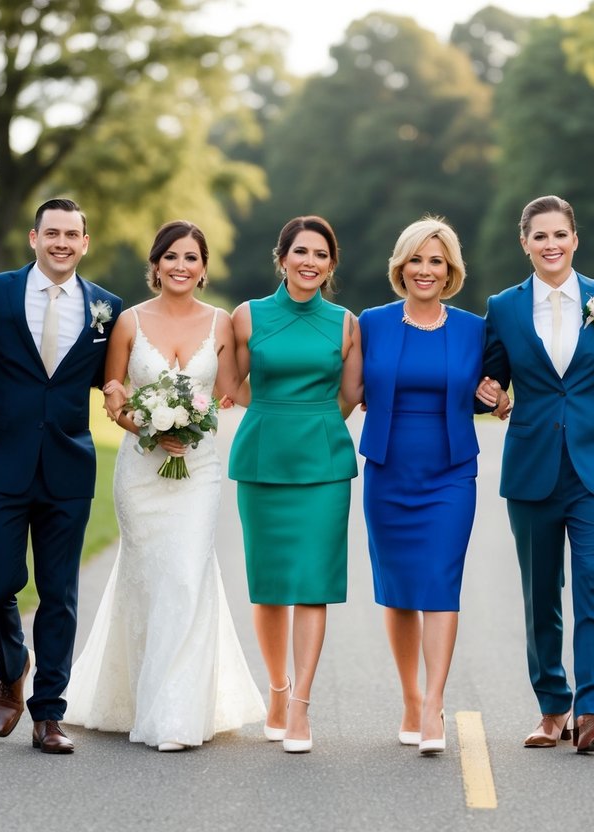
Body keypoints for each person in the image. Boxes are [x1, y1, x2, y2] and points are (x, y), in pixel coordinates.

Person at [64, 221, 266, 750]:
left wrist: (294, 383)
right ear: (155, 265)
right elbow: (115, 397)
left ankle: (174, 716)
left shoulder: (221, 323)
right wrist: (150, 425)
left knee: (185, 576)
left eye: (192, 257)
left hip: (198, 471)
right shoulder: (128, 322)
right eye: (172, 256)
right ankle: (135, 698)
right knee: (149, 578)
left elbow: (229, 391)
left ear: (204, 268)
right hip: (141, 472)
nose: (181, 265)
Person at [0, 198, 122, 754]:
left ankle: (48, 714)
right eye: (51, 233)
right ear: (34, 238)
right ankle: (12, 665)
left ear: (85, 242)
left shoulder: (108, 307)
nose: (61, 242)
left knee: (59, 593)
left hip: (68, 465)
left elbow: (118, 380)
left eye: (71, 234)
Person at [479, 195, 594, 753]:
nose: (551, 245)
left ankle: (592, 711)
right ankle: (551, 706)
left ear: (575, 238)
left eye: (560, 234)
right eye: (540, 236)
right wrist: (488, 393)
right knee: (541, 591)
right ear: (526, 243)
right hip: (531, 468)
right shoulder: (505, 307)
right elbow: (488, 382)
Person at [358, 217, 498, 755]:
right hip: (389, 470)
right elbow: (349, 388)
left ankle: (434, 705)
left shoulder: (473, 328)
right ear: (400, 266)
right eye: (416, 259)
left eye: (436, 261)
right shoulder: (370, 322)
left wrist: (497, 398)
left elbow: (493, 391)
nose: (425, 270)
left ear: (450, 270)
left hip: (450, 473)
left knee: (440, 582)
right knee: (398, 590)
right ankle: (411, 699)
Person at [227, 216, 362, 754]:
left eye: (321, 254)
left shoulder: (345, 322)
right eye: (300, 251)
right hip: (262, 456)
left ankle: (301, 704)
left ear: (331, 264)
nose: (310, 262)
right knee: (269, 583)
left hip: (324, 462)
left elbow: (351, 393)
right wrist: (273, 414)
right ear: (282, 257)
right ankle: (277, 690)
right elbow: (229, 386)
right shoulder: (247, 316)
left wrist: (315, 423)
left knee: (313, 582)